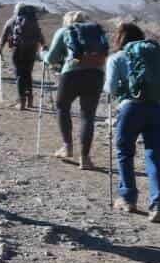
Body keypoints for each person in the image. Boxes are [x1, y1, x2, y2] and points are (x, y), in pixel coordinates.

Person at [105, 23, 160, 219]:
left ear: (120, 39)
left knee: (125, 153)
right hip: (158, 109)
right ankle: (158, 203)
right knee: (155, 157)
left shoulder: (117, 58)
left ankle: (128, 198)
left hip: (131, 108)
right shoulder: (157, 58)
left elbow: (110, 89)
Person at [42, 11, 110, 169]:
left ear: (67, 21)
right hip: (96, 74)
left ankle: (67, 147)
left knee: (62, 107)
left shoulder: (65, 31)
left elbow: (51, 58)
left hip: (72, 74)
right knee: (88, 115)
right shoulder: (95, 32)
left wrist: (43, 54)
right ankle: (85, 159)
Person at [0, 3, 47, 110]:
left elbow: (4, 36)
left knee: (19, 74)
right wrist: (44, 46)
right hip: (32, 50)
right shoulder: (33, 21)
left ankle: (22, 101)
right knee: (28, 74)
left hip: (17, 50)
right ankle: (30, 100)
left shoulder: (11, 21)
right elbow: (40, 35)